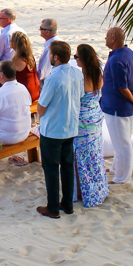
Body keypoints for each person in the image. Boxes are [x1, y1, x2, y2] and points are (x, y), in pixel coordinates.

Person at [36, 40, 83, 218]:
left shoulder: (54, 78)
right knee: (67, 166)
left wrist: (42, 117)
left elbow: (42, 105)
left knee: (51, 168)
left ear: (55, 57)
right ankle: (67, 204)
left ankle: (53, 207)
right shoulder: (77, 74)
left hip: (53, 128)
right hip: (70, 126)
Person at [102, 26, 133, 184]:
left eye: (107, 36)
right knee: (119, 141)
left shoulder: (117, 60)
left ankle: (122, 178)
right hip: (123, 106)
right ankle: (115, 169)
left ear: (113, 38)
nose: (105, 39)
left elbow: (122, 87)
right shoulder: (130, 54)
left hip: (116, 107)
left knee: (122, 144)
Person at [74, 43, 110, 207]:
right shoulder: (98, 74)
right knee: (94, 155)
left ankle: (83, 191)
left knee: (81, 157)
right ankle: (98, 187)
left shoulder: (82, 79)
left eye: (76, 57)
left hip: (83, 120)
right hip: (96, 115)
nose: (75, 60)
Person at [0, 31, 41, 109]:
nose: (10, 40)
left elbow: (5, 76)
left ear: (16, 43)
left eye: (12, 39)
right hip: (35, 91)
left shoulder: (18, 60)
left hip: (26, 94)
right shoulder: (29, 57)